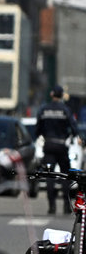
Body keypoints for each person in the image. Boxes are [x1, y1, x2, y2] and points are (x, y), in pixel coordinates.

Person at [35, 85, 82, 214]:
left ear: (51, 95)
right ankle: (67, 206)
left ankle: (52, 206)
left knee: (50, 176)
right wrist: (71, 136)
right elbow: (74, 127)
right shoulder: (65, 110)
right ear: (61, 95)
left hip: (49, 145)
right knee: (65, 176)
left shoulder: (44, 110)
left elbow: (38, 128)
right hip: (61, 146)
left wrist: (43, 135)